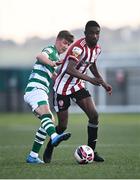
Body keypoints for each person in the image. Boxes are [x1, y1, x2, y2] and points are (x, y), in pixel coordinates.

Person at [43, 20, 112, 163]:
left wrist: (103, 83)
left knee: (94, 116)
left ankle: (92, 151)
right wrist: (91, 80)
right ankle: (50, 147)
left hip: (77, 85)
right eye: (91, 33)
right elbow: (70, 69)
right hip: (62, 87)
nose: (94, 36)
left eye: (97, 33)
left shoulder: (97, 49)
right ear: (85, 34)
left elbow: (91, 64)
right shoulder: (78, 48)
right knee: (62, 126)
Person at [24, 30, 74, 163]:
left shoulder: (56, 57)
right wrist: (52, 64)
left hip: (40, 90)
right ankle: (54, 136)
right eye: (64, 43)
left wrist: (57, 76)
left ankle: (33, 156)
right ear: (58, 40)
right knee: (47, 115)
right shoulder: (50, 50)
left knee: (48, 119)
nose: (65, 46)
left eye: (68, 45)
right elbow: (40, 56)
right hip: (36, 88)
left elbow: (50, 73)